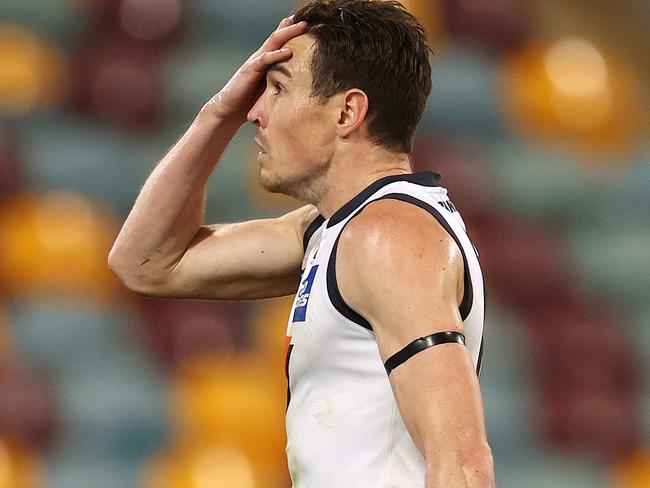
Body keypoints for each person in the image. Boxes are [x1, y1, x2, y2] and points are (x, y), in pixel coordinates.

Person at [108, 1, 495, 486]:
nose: (255, 112)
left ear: (347, 112)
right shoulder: (333, 231)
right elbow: (144, 263)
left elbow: (462, 463)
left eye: (278, 90)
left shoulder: (386, 238)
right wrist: (218, 112)